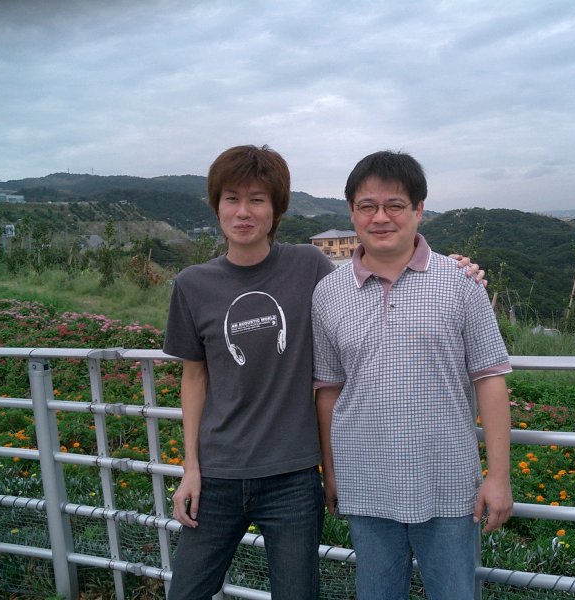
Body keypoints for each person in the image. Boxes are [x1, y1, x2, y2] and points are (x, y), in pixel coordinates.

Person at [164, 144, 484, 599]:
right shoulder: (192, 284)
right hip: (217, 472)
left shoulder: (308, 266)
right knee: (187, 591)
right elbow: (194, 378)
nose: (243, 212)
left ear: (277, 209)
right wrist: (191, 468)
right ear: (216, 205)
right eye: (231, 199)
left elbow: (383, 262)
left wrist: (456, 269)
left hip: (294, 476)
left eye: (257, 199)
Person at [312, 150, 513, 600]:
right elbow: (328, 390)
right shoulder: (327, 293)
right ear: (352, 212)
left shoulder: (460, 282)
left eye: (395, 205)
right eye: (367, 206)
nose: (380, 217)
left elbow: (490, 379)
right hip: (365, 482)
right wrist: (332, 471)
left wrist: (498, 477)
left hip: (449, 482)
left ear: (419, 209)